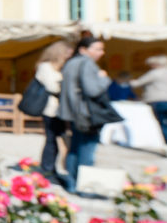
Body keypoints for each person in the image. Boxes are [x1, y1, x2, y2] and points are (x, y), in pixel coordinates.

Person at [58, 37, 111, 193]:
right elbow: (93, 90)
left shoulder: (70, 63)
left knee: (74, 148)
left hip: (73, 113)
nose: (101, 53)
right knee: (87, 150)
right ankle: (85, 186)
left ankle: (72, 183)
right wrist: (103, 79)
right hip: (86, 113)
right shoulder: (87, 63)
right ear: (83, 49)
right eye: (97, 49)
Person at [34, 41, 73, 187]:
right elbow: (52, 87)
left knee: (57, 139)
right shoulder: (45, 67)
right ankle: (47, 169)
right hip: (50, 109)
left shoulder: (59, 68)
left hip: (59, 108)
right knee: (52, 139)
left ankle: (52, 167)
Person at [131, 55, 167, 158]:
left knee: (163, 124)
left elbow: (137, 83)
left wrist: (127, 81)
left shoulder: (154, 73)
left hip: (159, 101)